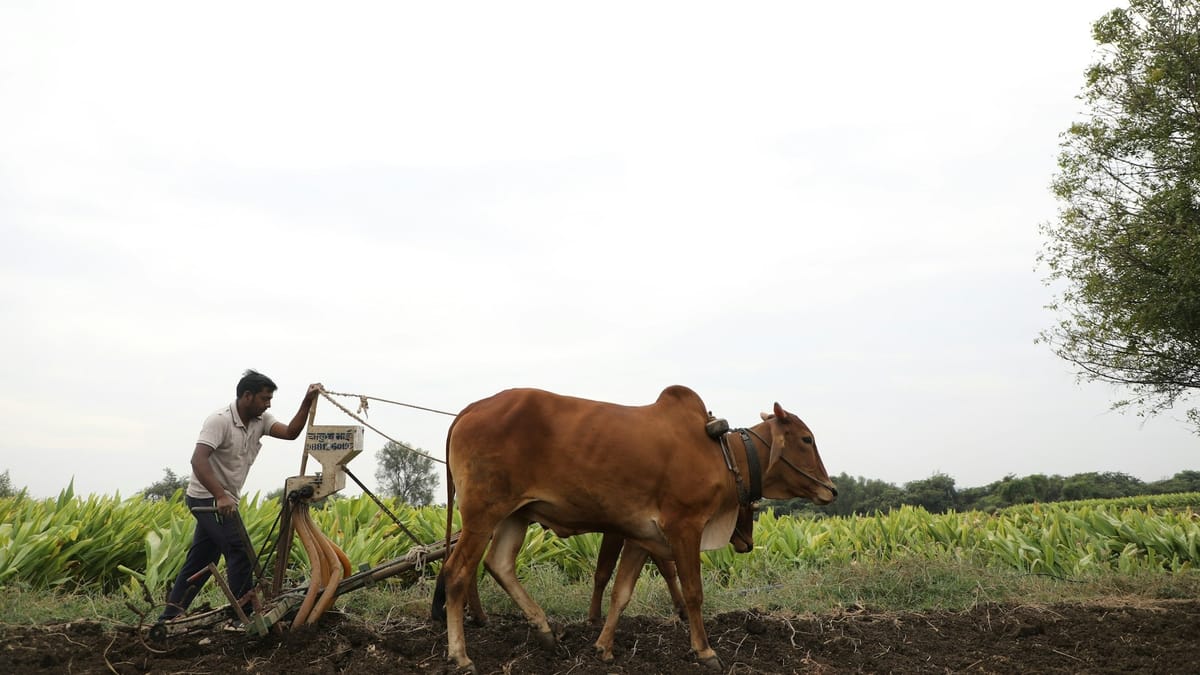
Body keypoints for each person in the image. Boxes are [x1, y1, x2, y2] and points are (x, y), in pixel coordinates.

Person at [158, 370, 322, 622]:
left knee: (203, 559)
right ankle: (244, 616)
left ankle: (169, 617)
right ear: (247, 396)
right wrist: (220, 496)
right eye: (265, 398)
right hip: (206, 499)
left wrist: (307, 401)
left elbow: (290, 432)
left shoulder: (260, 420)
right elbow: (198, 460)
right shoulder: (219, 421)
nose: (268, 404)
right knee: (239, 551)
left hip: (224, 500)